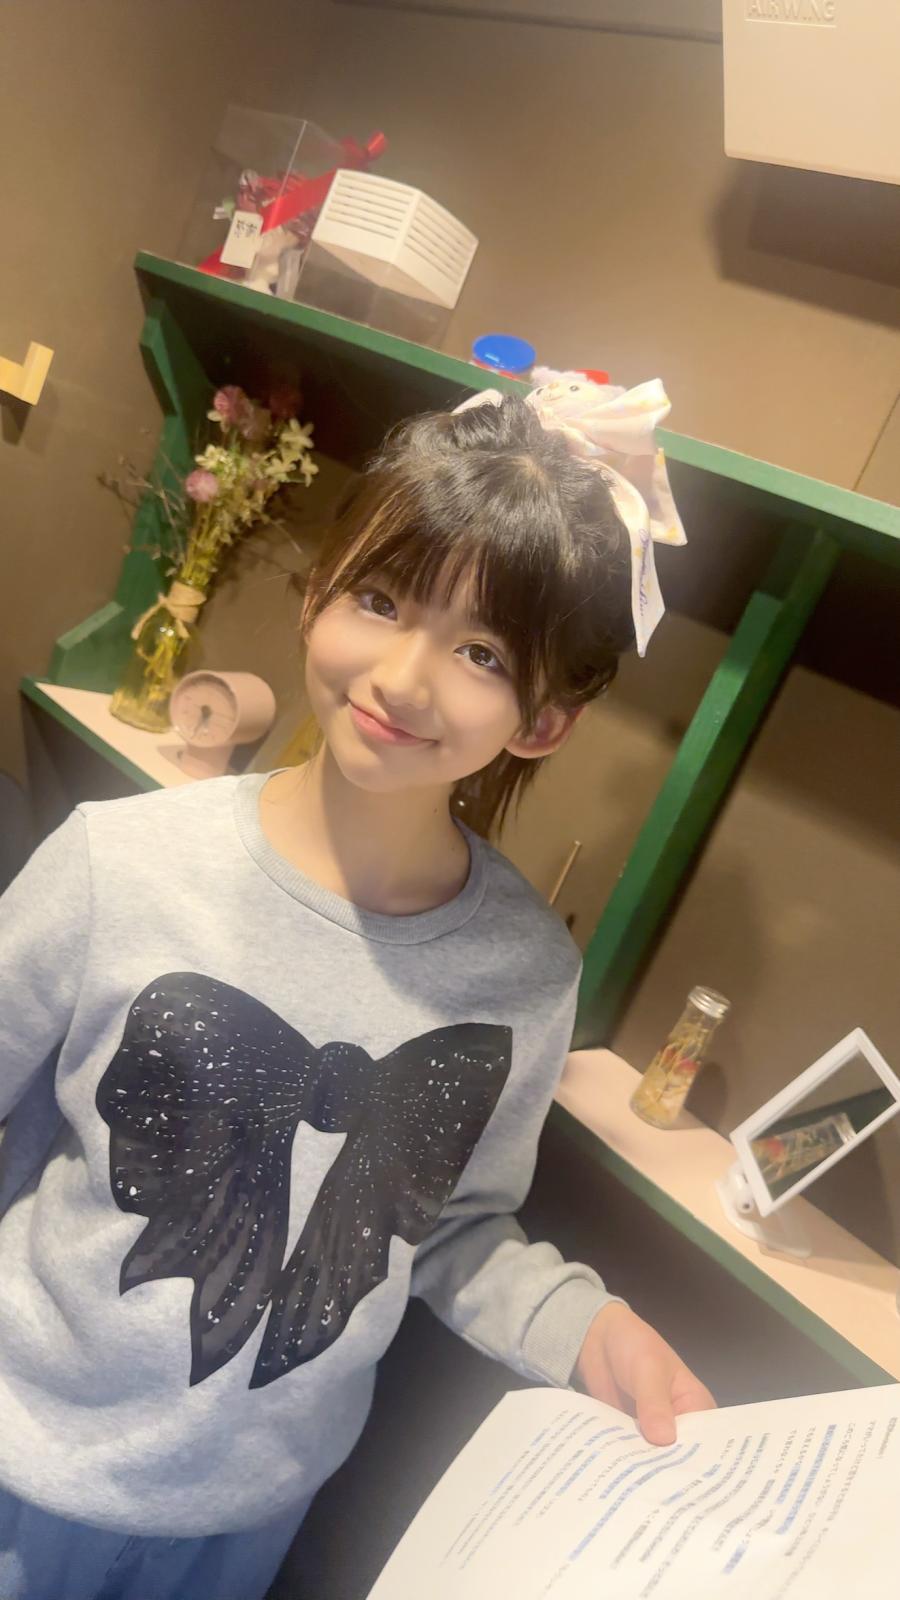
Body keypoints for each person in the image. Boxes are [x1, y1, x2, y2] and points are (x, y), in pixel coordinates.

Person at [0, 373, 713, 1600]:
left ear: (544, 720)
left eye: (481, 651)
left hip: (252, 1516)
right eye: (380, 599)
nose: (403, 677)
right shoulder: (121, 862)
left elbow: (447, 1225)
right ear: (316, 593)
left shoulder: (525, 973)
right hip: (24, 1459)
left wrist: (591, 1326)